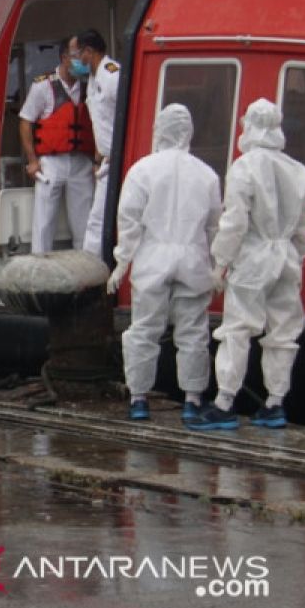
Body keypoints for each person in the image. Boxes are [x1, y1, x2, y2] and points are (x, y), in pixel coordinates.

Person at [189, 99, 305, 431]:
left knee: (237, 330)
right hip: (286, 257)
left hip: (254, 259)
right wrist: (295, 258)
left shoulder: (245, 167)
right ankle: (274, 405)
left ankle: (224, 404)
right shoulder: (299, 171)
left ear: (250, 127)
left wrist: (221, 263)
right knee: (284, 333)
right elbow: (303, 227)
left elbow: (235, 222)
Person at [106, 104, 222, 423]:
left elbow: (129, 221)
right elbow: (214, 227)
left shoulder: (142, 170)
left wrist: (121, 263)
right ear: (189, 132)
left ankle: (139, 399)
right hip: (193, 259)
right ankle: (193, 401)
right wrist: (219, 266)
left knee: (144, 329)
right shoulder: (207, 174)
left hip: (152, 260)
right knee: (193, 333)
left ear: (160, 130)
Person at [19, 37, 95, 253]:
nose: (82, 61)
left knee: (84, 224)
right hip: (51, 162)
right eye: (77, 56)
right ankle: (39, 270)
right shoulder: (43, 85)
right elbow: (25, 122)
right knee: (44, 222)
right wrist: (32, 161)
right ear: (64, 57)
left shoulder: (90, 85)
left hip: (81, 161)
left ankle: (85, 272)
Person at [73, 29, 122, 256]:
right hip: (105, 160)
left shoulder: (112, 75)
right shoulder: (93, 79)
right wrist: (96, 158)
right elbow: (99, 124)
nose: (75, 60)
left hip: (121, 159)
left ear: (89, 52)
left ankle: (92, 274)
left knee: (98, 220)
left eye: (77, 54)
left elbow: (128, 115)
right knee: (100, 219)